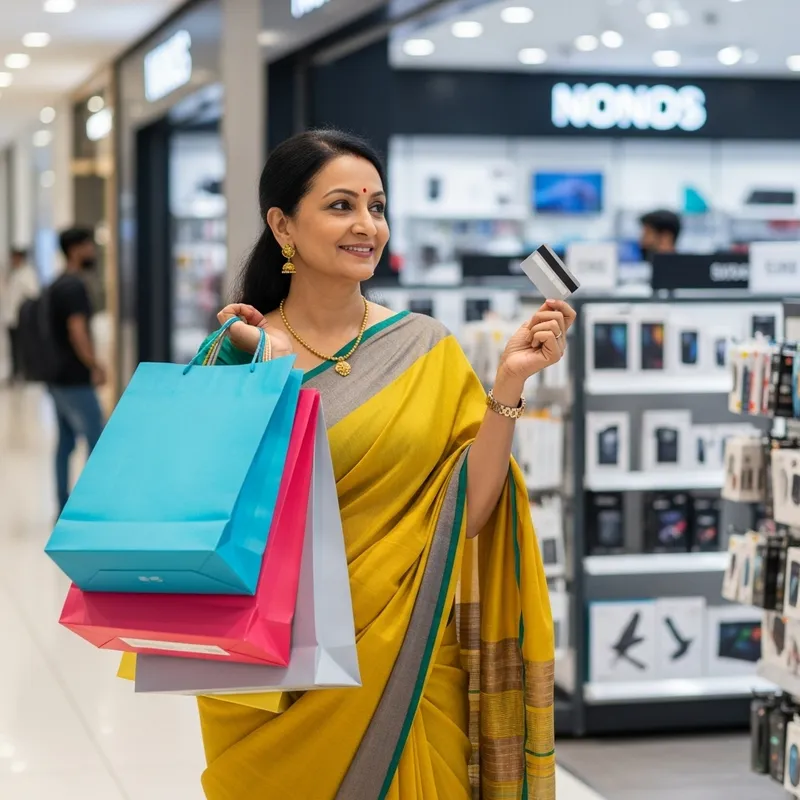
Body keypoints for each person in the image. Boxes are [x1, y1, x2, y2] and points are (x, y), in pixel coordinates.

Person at [193, 129, 574, 799]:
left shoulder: (425, 348)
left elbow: (474, 513)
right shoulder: (241, 349)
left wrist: (508, 387)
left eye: (377, 205)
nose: (367, 225)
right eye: (341, 205)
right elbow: (202, 516)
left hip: (409, 660)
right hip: (277, 678)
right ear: (282, 224)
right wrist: (241, 375)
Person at [49, 227, 105, 513]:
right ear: (75, 250)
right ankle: (93, 508)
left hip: (57, 377)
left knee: (65, 442)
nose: (93, 251)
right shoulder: (74, 286)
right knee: (98, 440)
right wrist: (94, 365)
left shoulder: (57, 283)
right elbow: (77, 331)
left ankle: (63, 505)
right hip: (74, 378)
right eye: (88, 245)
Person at [2, 248, 39, 383]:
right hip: (11, 318)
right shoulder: (14, 273)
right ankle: (15, 373)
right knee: (14, 348)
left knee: (22, 348)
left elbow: (33, 295)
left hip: (22, 319)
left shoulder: (27, 274)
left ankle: (24, 373)